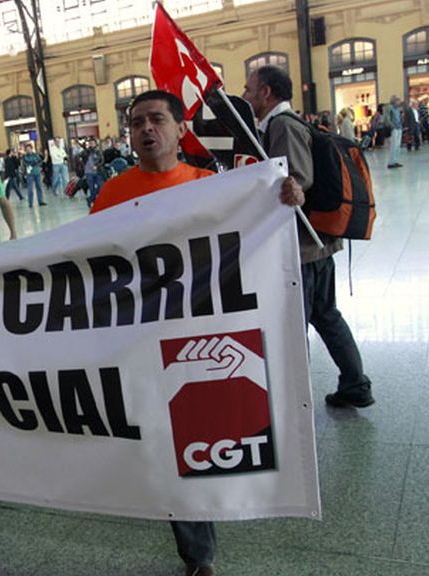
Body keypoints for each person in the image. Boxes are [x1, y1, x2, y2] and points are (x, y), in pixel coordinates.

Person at [93, 89, 305, 576]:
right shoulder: (111, 194)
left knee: (194, 434)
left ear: (180, 129)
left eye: (158, 120)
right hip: (140, 336)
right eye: (137, 122)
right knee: (161, 440)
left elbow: (259, 230)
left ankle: (198, 550)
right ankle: (194, 546)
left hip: (197, 338)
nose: (147, 129)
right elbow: (92, 265)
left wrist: (288, 199)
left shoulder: (210, 185)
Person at [244, 64, 374, 409]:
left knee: (295, 325)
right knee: (326, 315)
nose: (245, 95)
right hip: (317, 244)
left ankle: (292, 405)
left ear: (266, 93)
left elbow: (297, 179)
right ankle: (355, 383)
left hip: (302, 249)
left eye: (249, 89)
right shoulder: (289, 122)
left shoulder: (282, 125)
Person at [387, 96, 404, 168]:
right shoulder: (390, 108)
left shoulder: (398, 109)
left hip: (399, 127)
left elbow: (399, 118)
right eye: (398, 101)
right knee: (393, 145)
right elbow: (387, 118)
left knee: (397, 145)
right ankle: (391, 162)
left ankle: (395, 161)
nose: (399, 102)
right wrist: (392, 126)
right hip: (394, 128)